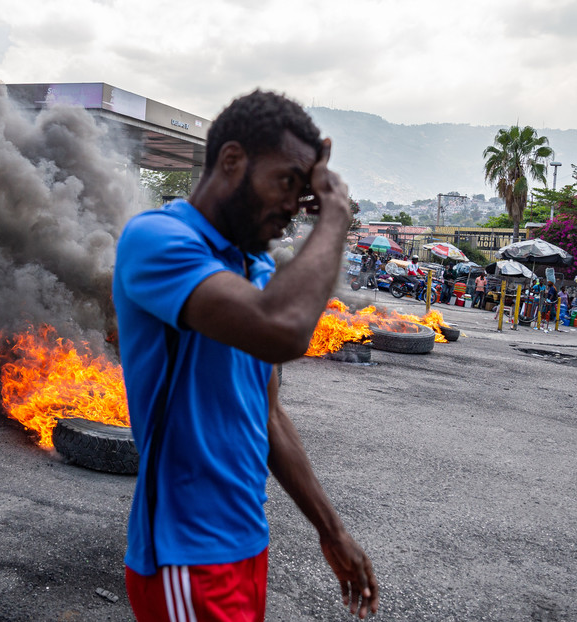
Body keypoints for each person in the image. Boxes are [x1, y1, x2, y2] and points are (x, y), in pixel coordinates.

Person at [113, 90, 378, 621]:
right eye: (287, 182)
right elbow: (281, 330)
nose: (292, 207)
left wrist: (332, 530)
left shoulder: (254, 270)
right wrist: (336, 214)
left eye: (305, 193)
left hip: (246, 544)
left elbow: (268, 412)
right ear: (232, 160)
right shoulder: (159, 239)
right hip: (184, 558)